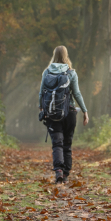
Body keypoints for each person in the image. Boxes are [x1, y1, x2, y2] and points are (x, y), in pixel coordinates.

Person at [40, 46, 89, 183]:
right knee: (67, 144)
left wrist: (41, 109)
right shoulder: (71, 73)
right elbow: (77, 94)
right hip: (69, 113)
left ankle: (59, 171)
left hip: (52, 114)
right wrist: (85, 111)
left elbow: (41, 93)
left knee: (57, 144)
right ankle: (66, 174)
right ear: (66, 56)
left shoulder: (47, 72)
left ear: (54, 55)